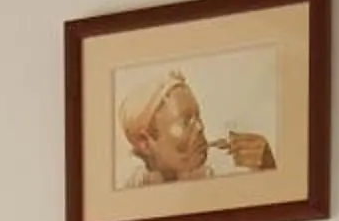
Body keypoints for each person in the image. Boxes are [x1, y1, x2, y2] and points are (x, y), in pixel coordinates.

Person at [118, 71, 277, 187]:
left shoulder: (219, 175)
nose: (201, 127)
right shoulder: (131, 190)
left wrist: (268, 169)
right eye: (186, 122)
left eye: (198, 117)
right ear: (145, 142)